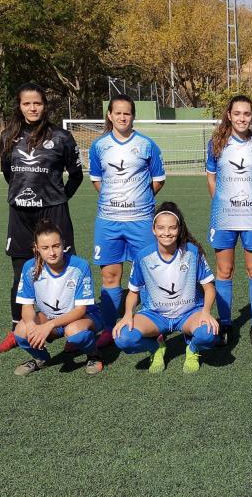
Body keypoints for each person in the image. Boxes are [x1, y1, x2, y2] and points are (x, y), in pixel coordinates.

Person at [0, 82, 83, 354]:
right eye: (27, 103)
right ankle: (16, 330)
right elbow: (8, 173)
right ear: (19, 106)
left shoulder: (61, 136)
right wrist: (24, 195)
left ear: (45, 106)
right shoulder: (8, 135)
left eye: (38, 103)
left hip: (53, 211)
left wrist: (59, 197)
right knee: (21, 274)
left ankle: (71, 330)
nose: (32, 108)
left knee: (65, 269)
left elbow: (76, 174)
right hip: (21, 214)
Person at [88, 94, 165, 348]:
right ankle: (110, 329)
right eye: (118, 113)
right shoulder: (98, 146)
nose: (122, 117)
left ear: (133, 116)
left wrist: (139, 200)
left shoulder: (147, 145)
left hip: (141, 221)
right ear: (109, 115)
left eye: (127, 113)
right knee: (110, 276)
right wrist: (117, 202)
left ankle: (151, 324)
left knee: (147, 274)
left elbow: (158, 179)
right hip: (108, 222)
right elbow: (97, 180)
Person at [113, 202, 218, 373]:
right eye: (161, 228)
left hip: (188, 313)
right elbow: (133, 292)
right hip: (155, 315)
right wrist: (127, 315)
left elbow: (209, 287)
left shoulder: (192, 252)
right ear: (153, 229)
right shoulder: (143, 257)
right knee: (123, 338)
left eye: (172, 228)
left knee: (208, 333)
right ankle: (156, 347)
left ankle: (192, 348)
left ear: (179, 229)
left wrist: (206, 312)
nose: (167, 233)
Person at [206, 95, 252, 347]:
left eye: (247, 114)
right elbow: (211, 177)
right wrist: (221, 203)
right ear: (229, 115)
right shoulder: (216, 143)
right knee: (224, 271)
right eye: (237, 113)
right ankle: (225, 323)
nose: (242, 118)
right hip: (223, 217)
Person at [12, 220, 103, 376]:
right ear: (36, 248)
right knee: (21, 330)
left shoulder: (79, 266)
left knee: (74, 331)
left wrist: (48, 326)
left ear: (63, 244)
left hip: (82, 317)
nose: (52, 253)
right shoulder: (29, 268)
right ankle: (42, 358)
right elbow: (27, 306)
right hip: (50, 317)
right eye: (45, 248)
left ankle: (93, 354)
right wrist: (31, 325)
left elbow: (81, 310)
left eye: (56, 246)